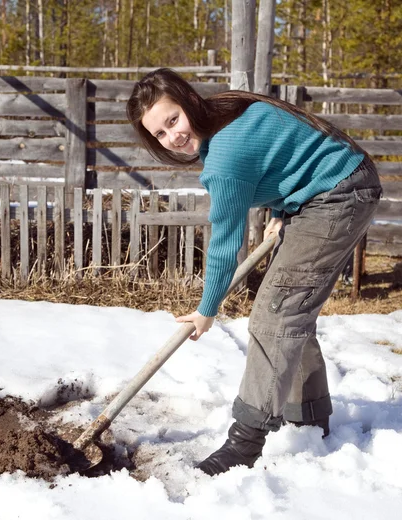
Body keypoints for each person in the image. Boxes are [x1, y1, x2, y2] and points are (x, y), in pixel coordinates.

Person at [126, 68, 382, 476]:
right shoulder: (226, 111)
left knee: (275, 313)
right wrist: (285, 207)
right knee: (292, 312)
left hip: (338, 193)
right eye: (159, 133)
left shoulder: (223, 157)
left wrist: (207, 309)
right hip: (332, 186)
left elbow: (226, 243)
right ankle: (310, 419)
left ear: (188, 101)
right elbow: (287, 152)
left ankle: (245, 443)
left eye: (172, 120)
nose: (172, 136)